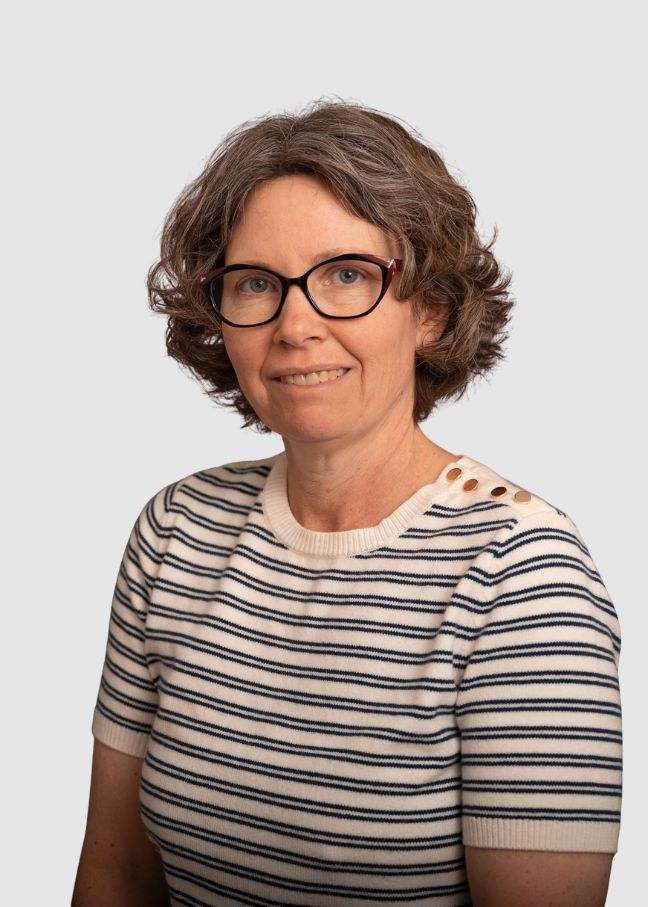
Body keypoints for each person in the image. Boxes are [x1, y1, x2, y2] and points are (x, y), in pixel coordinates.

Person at [72, 98, 622, 907]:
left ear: (430, 308)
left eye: (347, 275)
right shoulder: (175, 532)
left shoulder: (523, 577)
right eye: (256, 283)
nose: (296, 325)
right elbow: (116, 875)